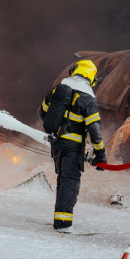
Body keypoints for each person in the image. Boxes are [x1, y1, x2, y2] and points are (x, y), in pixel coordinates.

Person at [38, 59, 106, 233]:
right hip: (73, 146)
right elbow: (95, 130)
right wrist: (101, 154)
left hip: (57, 143)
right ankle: (63, 224)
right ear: (90, 77)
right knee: (70, 181)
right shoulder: (87, 99)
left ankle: (59, 218)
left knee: (63, 178)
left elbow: (42, 112)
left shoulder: (58, 90)